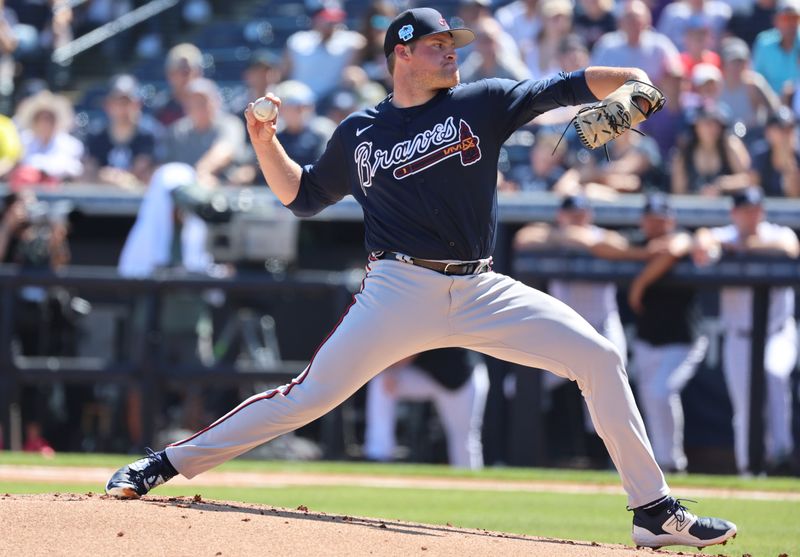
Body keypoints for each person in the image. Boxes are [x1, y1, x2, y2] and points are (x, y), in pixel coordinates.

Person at [106, 7, 737, 550]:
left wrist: (632, 80)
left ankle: (653, 512)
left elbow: (567, 87)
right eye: (438, 45)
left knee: (599, 357)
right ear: (401, 53)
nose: (451, 52)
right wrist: (264, 141)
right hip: (397, 291)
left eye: (452, 44)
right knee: (305, 398)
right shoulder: (360, 133)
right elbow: (301, 198)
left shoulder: (481, 102)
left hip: (483, 286)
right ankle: (164, 464)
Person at [692, 186, 799, 475]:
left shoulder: (778, 234)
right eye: (745, 211)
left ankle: (781, 452)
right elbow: (703, 241)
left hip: (777, 332)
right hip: (739, 335)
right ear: (734, 213)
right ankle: (749, 468)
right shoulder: (725, 235)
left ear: (762, 212)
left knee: (774, 373)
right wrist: (713, 243)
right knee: (745, 405)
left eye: (755, 210)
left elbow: (791, 249)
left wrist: (742, 248)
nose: (751, 216)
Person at [627, 193, 708, 473]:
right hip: (647, 338)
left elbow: (677, 246)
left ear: (671, 220)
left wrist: (640, 283)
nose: (655, 225)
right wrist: (641, 254)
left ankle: (672, 462)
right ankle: (656, 462)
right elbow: (603, 246)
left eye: (660, 220)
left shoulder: (682, 239)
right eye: (650, 219)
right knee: (649, 397)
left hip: (683, 340)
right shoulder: (638, 243)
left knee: (660, 392)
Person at [364, 348, 489, 469]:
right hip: (429, 377)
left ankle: (471, 484)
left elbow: (410, 350)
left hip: (462, 379)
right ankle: (379, 455)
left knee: (464, 443)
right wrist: (389, 371)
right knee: (382, 382)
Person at [82, 74, 158, 190]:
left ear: (138, 104)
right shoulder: (95, 135)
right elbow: (89, 172)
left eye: (127, 102)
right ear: (108, 105)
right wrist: (102, 177)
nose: (123, 108)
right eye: (118, 102)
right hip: (100, 201)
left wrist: (117, 178)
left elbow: (144, 173)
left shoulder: (149, 135)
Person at [749, 105, 800, 197]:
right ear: (768, 132)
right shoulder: (760, 155)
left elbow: (794, 198)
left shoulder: (798, 157)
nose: (786, 134)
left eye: (790, 129)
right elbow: (753, 190)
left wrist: (789, 165)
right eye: (781, 128)